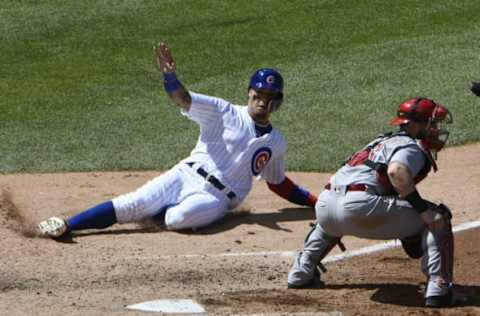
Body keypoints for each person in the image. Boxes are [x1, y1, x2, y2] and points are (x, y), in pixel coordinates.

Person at [37, 42, 317, 238]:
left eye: (269, 99)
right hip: (185, 173)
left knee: (177, 219)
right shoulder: (223, 111)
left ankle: (160, 212)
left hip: (215, 199)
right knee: (131, 204)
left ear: (277, 103)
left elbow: (278, 182)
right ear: (249, 93)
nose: (262, 103)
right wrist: (169, 76)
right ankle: (67, 224)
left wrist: (316, 202)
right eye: (258, 95)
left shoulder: (276, 141)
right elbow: (182, 99)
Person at [286, 97, 466, 308]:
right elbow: (396, 172)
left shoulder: (379, 142)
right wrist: (423, 211)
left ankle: (300, 272)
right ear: (416, 124)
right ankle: (439, 289)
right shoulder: (411, 147)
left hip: (325, 207)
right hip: (360, 207)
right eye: (432, 123)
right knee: (437, 217)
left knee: (336, 210)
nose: (435, 129)